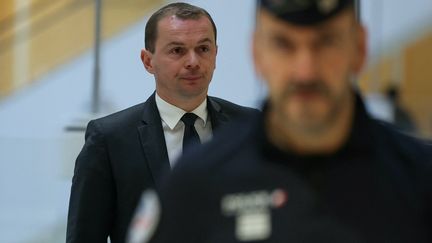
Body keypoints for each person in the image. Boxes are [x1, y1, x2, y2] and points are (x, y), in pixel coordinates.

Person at [129, 0, 432, 242]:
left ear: (359, 48)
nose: (305, 71)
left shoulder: (420, 178)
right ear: (257, 53)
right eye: (284, 45)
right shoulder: (195, 184)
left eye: (326, 42)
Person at [66, 2, 258, 243]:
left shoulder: (250, 128)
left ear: (216, 55)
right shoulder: (109, 139)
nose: (193, 61)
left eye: (203, 49)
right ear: (148, 61)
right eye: (177, 50)